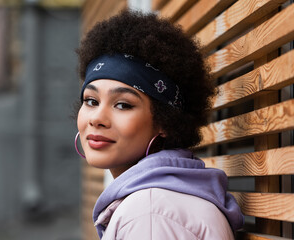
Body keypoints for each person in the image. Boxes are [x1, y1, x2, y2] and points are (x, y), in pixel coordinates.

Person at [74, 10, 244, 240]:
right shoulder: (157, 202)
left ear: (165, 120)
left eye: (123, 105)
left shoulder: (150, 215)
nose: (96, 118)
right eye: (91, 101)